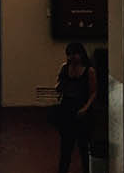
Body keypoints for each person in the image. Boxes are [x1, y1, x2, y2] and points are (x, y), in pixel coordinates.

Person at [53, 41, 96, 173]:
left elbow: (93, 92)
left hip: (81, 109)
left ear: (81, 54)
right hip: (67, 108)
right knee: (66, 146)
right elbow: (58, 86)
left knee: (83, 146)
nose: (72, 57)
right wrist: (59, 86)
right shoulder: (65, 68)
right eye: (69, 54)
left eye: (74, 54)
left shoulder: (89, 71)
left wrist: (85, 108)